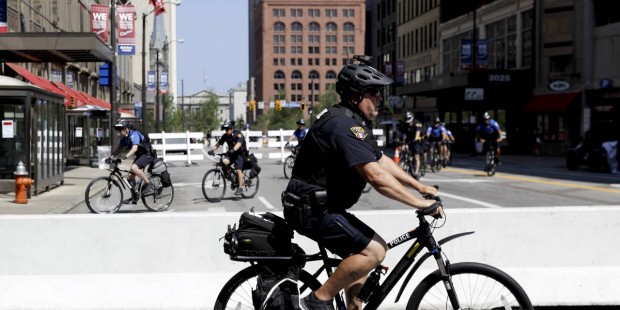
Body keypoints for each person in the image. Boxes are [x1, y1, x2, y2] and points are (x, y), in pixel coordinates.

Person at [282, 56, 442, 310]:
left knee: (363, 265)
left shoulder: (354, 122)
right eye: (374, 92)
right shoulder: (343, 125)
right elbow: (376, 177)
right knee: (375, 252)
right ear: (356, 96)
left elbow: (380, 161)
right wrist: (420, 204)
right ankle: (315, 302)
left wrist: (420, 187)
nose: (380, 97)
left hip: (322, 206)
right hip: (312, 209)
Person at [110, 120, 154, 203]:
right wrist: (110, 156)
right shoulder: (124, 139)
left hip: (148, 154)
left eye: (120, 130)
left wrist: (124, 157)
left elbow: (135, 148)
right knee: (129, 177)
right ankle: (134, 196)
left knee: (134, 168)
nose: (119, 132)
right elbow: (118, 149)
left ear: (126, 129)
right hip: (141, 155)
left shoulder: (134, 134)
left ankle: (148, 183)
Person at [208, 120, 248, 196]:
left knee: (238, 169)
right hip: (231, 154)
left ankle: (240, 187)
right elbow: (218, 143)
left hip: (240, 154)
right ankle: (232, 177)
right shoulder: (225, 136)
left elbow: (239, 143)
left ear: (231, 128)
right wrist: (212, 150)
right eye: (225, 130)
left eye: (227, 129)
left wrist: (233, 149)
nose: (226, 131)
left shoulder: (238, 134)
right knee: (224, 161)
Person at [401, 112, 424, 178]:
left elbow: (418, 133)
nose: (407, 120)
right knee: (404, 150)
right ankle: (409, 163)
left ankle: (416, 172)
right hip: (409, 140)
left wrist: (416, 139)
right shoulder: (404, 124)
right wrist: (402, 141)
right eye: (406, 118)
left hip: (417, 140)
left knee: (416, 156)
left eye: (408, 118)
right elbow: (403, 134)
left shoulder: (417, 123)